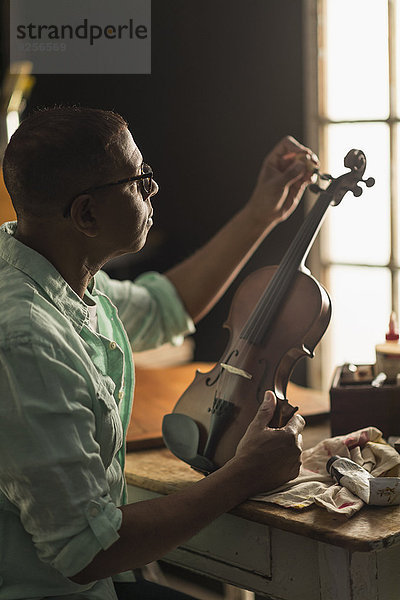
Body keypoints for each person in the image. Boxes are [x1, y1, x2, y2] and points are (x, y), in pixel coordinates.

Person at [0, 106, 315, 599]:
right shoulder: (26, 339)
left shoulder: (47, 264)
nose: (154, 188)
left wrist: (263, 213)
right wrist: (243, 475)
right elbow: (86, 552)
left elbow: (166, 308)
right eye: (138, 178)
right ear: (86, 213)